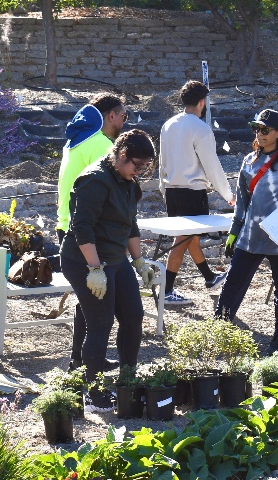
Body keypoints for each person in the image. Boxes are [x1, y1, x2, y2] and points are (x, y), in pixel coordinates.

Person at [60, 129, 158, 410]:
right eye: (138, 165)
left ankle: (127, 380)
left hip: (115, 258)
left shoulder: (127, 181)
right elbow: (82, 227)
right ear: (122, 155)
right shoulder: (95, 179)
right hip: (84, 259)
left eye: (145, 167)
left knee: (133, 315)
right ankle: (93, 393)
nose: (140, 171)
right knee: (100, 323)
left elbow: (130, 223)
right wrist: (94, 269)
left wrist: (139, 262)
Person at [215, 109, 278, 354]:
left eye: (265, 129)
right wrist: (234, 232)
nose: (259, 134)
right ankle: (218, 334)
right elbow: (242, 202)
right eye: (256, 129)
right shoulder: (249, 161)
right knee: (232, 286)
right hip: (251, 236)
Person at [55, 93, 127, 373]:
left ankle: (82, 359)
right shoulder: (101, 145)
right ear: (111, 115)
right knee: (98, 305)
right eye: (123, 116)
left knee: (89, 301)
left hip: (67, 225)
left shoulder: (78, 138)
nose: (124, 122)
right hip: (86, 233)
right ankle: (88, 368)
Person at [158, 81, 236, 306]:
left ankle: (209, 277)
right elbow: (212, 165)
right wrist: (227, 194)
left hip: (171, 190)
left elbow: (162, 161)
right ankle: (166, 290)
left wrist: (164, 189)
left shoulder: (168, 124)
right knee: (182, 240)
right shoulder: (201, 128)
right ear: (203, 101)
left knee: (189, 237)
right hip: (192, 192)